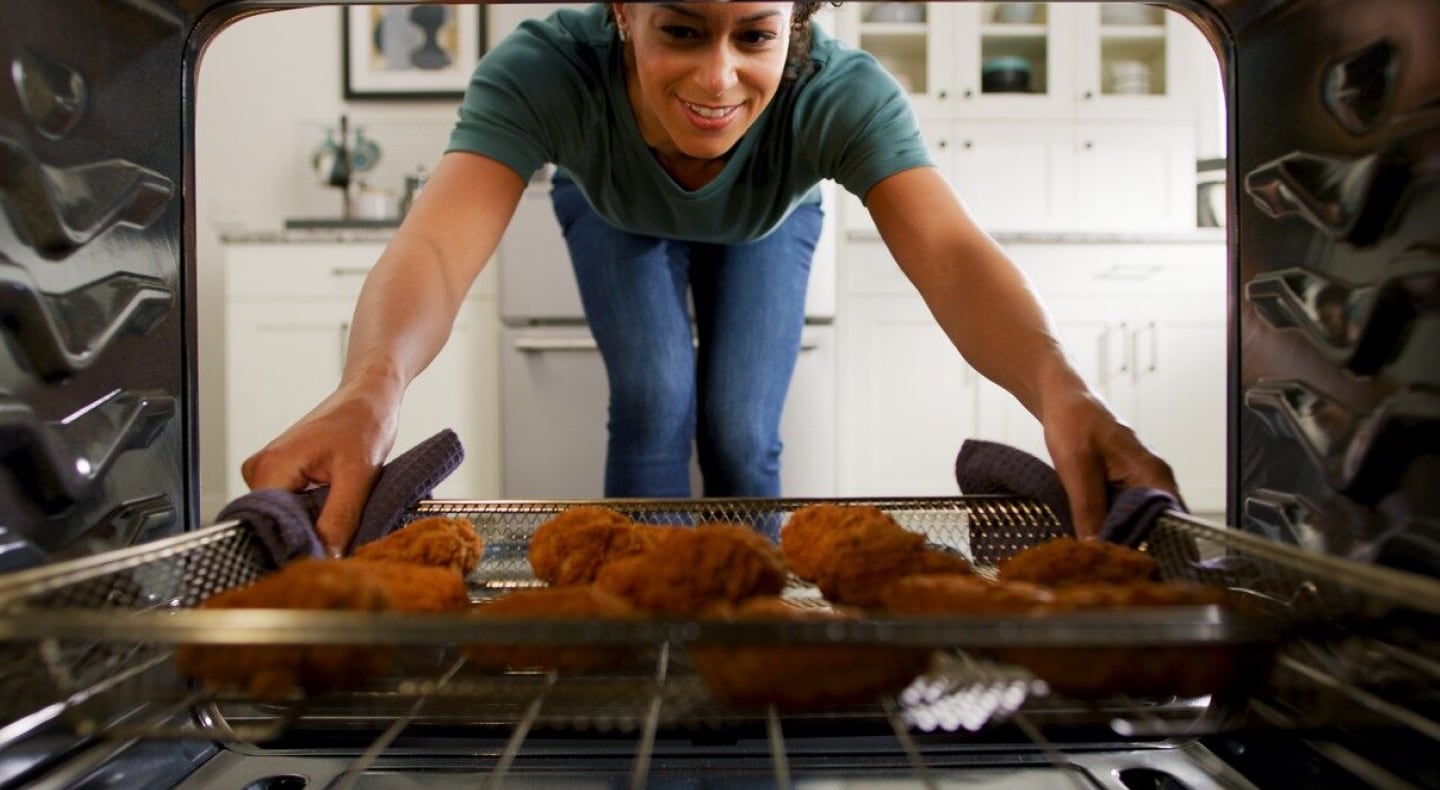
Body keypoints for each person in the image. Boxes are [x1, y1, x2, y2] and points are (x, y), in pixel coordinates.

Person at [241, 2, 1180, 556]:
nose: (718, 78)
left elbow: (952, 254)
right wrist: (371, 387)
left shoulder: (837, 95)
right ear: (621, 14)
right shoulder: (548, 71)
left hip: (768, 224)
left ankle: (745, 607)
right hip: (612, 213)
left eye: (754, 36)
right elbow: (437, 246)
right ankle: (649, 629)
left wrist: (1065, 391)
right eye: (681, 30)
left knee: (739, 427)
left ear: (794, 28)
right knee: (653, 399)